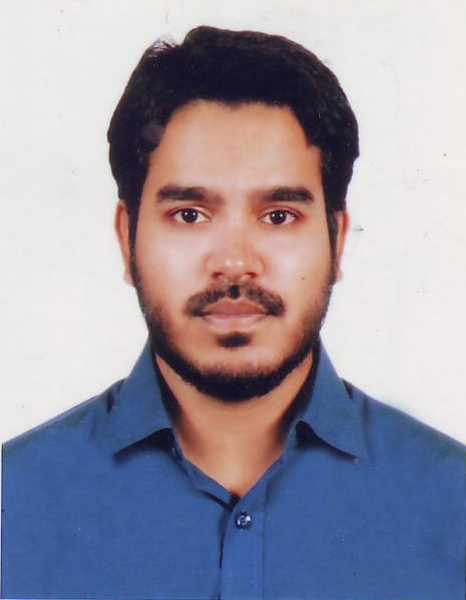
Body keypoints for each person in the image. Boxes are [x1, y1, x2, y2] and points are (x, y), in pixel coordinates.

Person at [2, 25, 464, 600]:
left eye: (279, 216)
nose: (235, 263)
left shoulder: (452, 504)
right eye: (190, 215)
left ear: (338, 240)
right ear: (127, 238)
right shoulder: (14, 501)